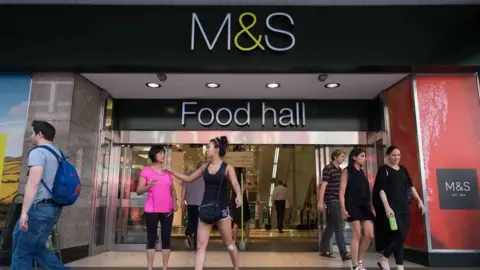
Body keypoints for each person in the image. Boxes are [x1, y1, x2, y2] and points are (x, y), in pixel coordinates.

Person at [164, 136, 242, 270]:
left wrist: (239, 194)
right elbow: (188, 179)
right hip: (205, 208)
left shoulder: (227, 167)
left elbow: (235, 182)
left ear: (216, 149)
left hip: (221, 209)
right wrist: (172, 171)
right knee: (200, 246)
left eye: (209, 147)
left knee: (229, 243)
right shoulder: (204, 167)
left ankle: (236, 267)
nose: (206, 150)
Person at [11, 120, 68, 270]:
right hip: (53, 208)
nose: (31, 135)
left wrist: (24, 213)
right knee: (36, 247)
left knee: (21, 251)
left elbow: (33, 182)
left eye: (32, 132)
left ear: (40, 134)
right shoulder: (58, 153)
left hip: (38, 208)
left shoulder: (38, 152)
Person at [372, 146, 425, 270]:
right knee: (400, 235)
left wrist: (419, 201)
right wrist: (387, 208)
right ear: (388, 156)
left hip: (404, 208)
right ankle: (384, 258)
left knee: (400, 237)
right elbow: (381, 191)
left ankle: (399, 266)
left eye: (398, 155)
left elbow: (410, 187)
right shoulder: (383, 170)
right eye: (394, 155)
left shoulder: (403, 170)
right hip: (392, 209)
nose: (396, 158)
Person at [136, 145, 178, 270]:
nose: (163, 155)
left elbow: (173, 189)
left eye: (163, 153)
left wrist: (175, 203)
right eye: (160, 153)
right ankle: (150, 267)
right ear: (153, 155)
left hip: (167, 210)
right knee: (151, 238)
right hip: (152, 210)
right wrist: (148, 187)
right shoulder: (146, 171)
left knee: (166, 237)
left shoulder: (167, 172)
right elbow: (138, 191)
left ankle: (165, 267)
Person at [339, 148, 375, 270]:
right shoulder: (346, 171)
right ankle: (354, 265)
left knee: (369, 234)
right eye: (362, 156)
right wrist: (343, 208)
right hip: (352, 205)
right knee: (357, 233)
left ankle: (359, 260)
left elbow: (366, 192)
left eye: (364, 156)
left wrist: (372, 207)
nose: (364, 158)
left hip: (364, 206)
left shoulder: (362, 173)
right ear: (354, 157)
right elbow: (341, 192)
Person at [318, 149, 351, 261]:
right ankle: (344, 253)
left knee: (331, 226)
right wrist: (320, 201)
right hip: (332, 200)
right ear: (335, 157)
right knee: (339, 226)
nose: (343, 158)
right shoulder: (328, 169)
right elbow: (323, 186)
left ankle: (323, 249)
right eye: (341, 156)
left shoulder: (340, 170)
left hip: (338, 199)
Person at [181, 161, 205, 250]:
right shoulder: (205, 177)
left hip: (190, 203)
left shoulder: (189, 175)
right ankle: (195, 243)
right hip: (201, 204)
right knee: (198, 224)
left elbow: (183, 189)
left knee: (192, 220)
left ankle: (189, 234)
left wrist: (182, 202)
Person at [231, 170, 254, 244]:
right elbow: (254, 186)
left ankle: (234, 239)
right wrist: (248, 177)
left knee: (236, 222)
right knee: (247, 221)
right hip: (244, 204)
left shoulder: (233, 185)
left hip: (236, 204)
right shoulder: (244, 185)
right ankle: (246, 238)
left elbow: (231, 196)